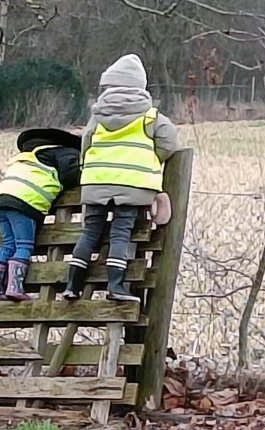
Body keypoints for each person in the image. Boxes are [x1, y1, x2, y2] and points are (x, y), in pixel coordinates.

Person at [64, 54, 179, 303]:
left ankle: (72, 285)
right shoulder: (150, 116)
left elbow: (85, 143)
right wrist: (150, 158)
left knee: (90, 232)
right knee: (120, 234)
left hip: (96, 182)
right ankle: (116, 286)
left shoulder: (98, 115)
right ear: (140, 85)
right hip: (132, 185)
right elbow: (169, 142)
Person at [0, 128, 82, 301]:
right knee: (24, 246)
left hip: (1, 201)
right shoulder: (65, 152)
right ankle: (15, 287)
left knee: (7, 245)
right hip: (25, 202)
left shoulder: (27, 155)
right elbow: (70, 176)